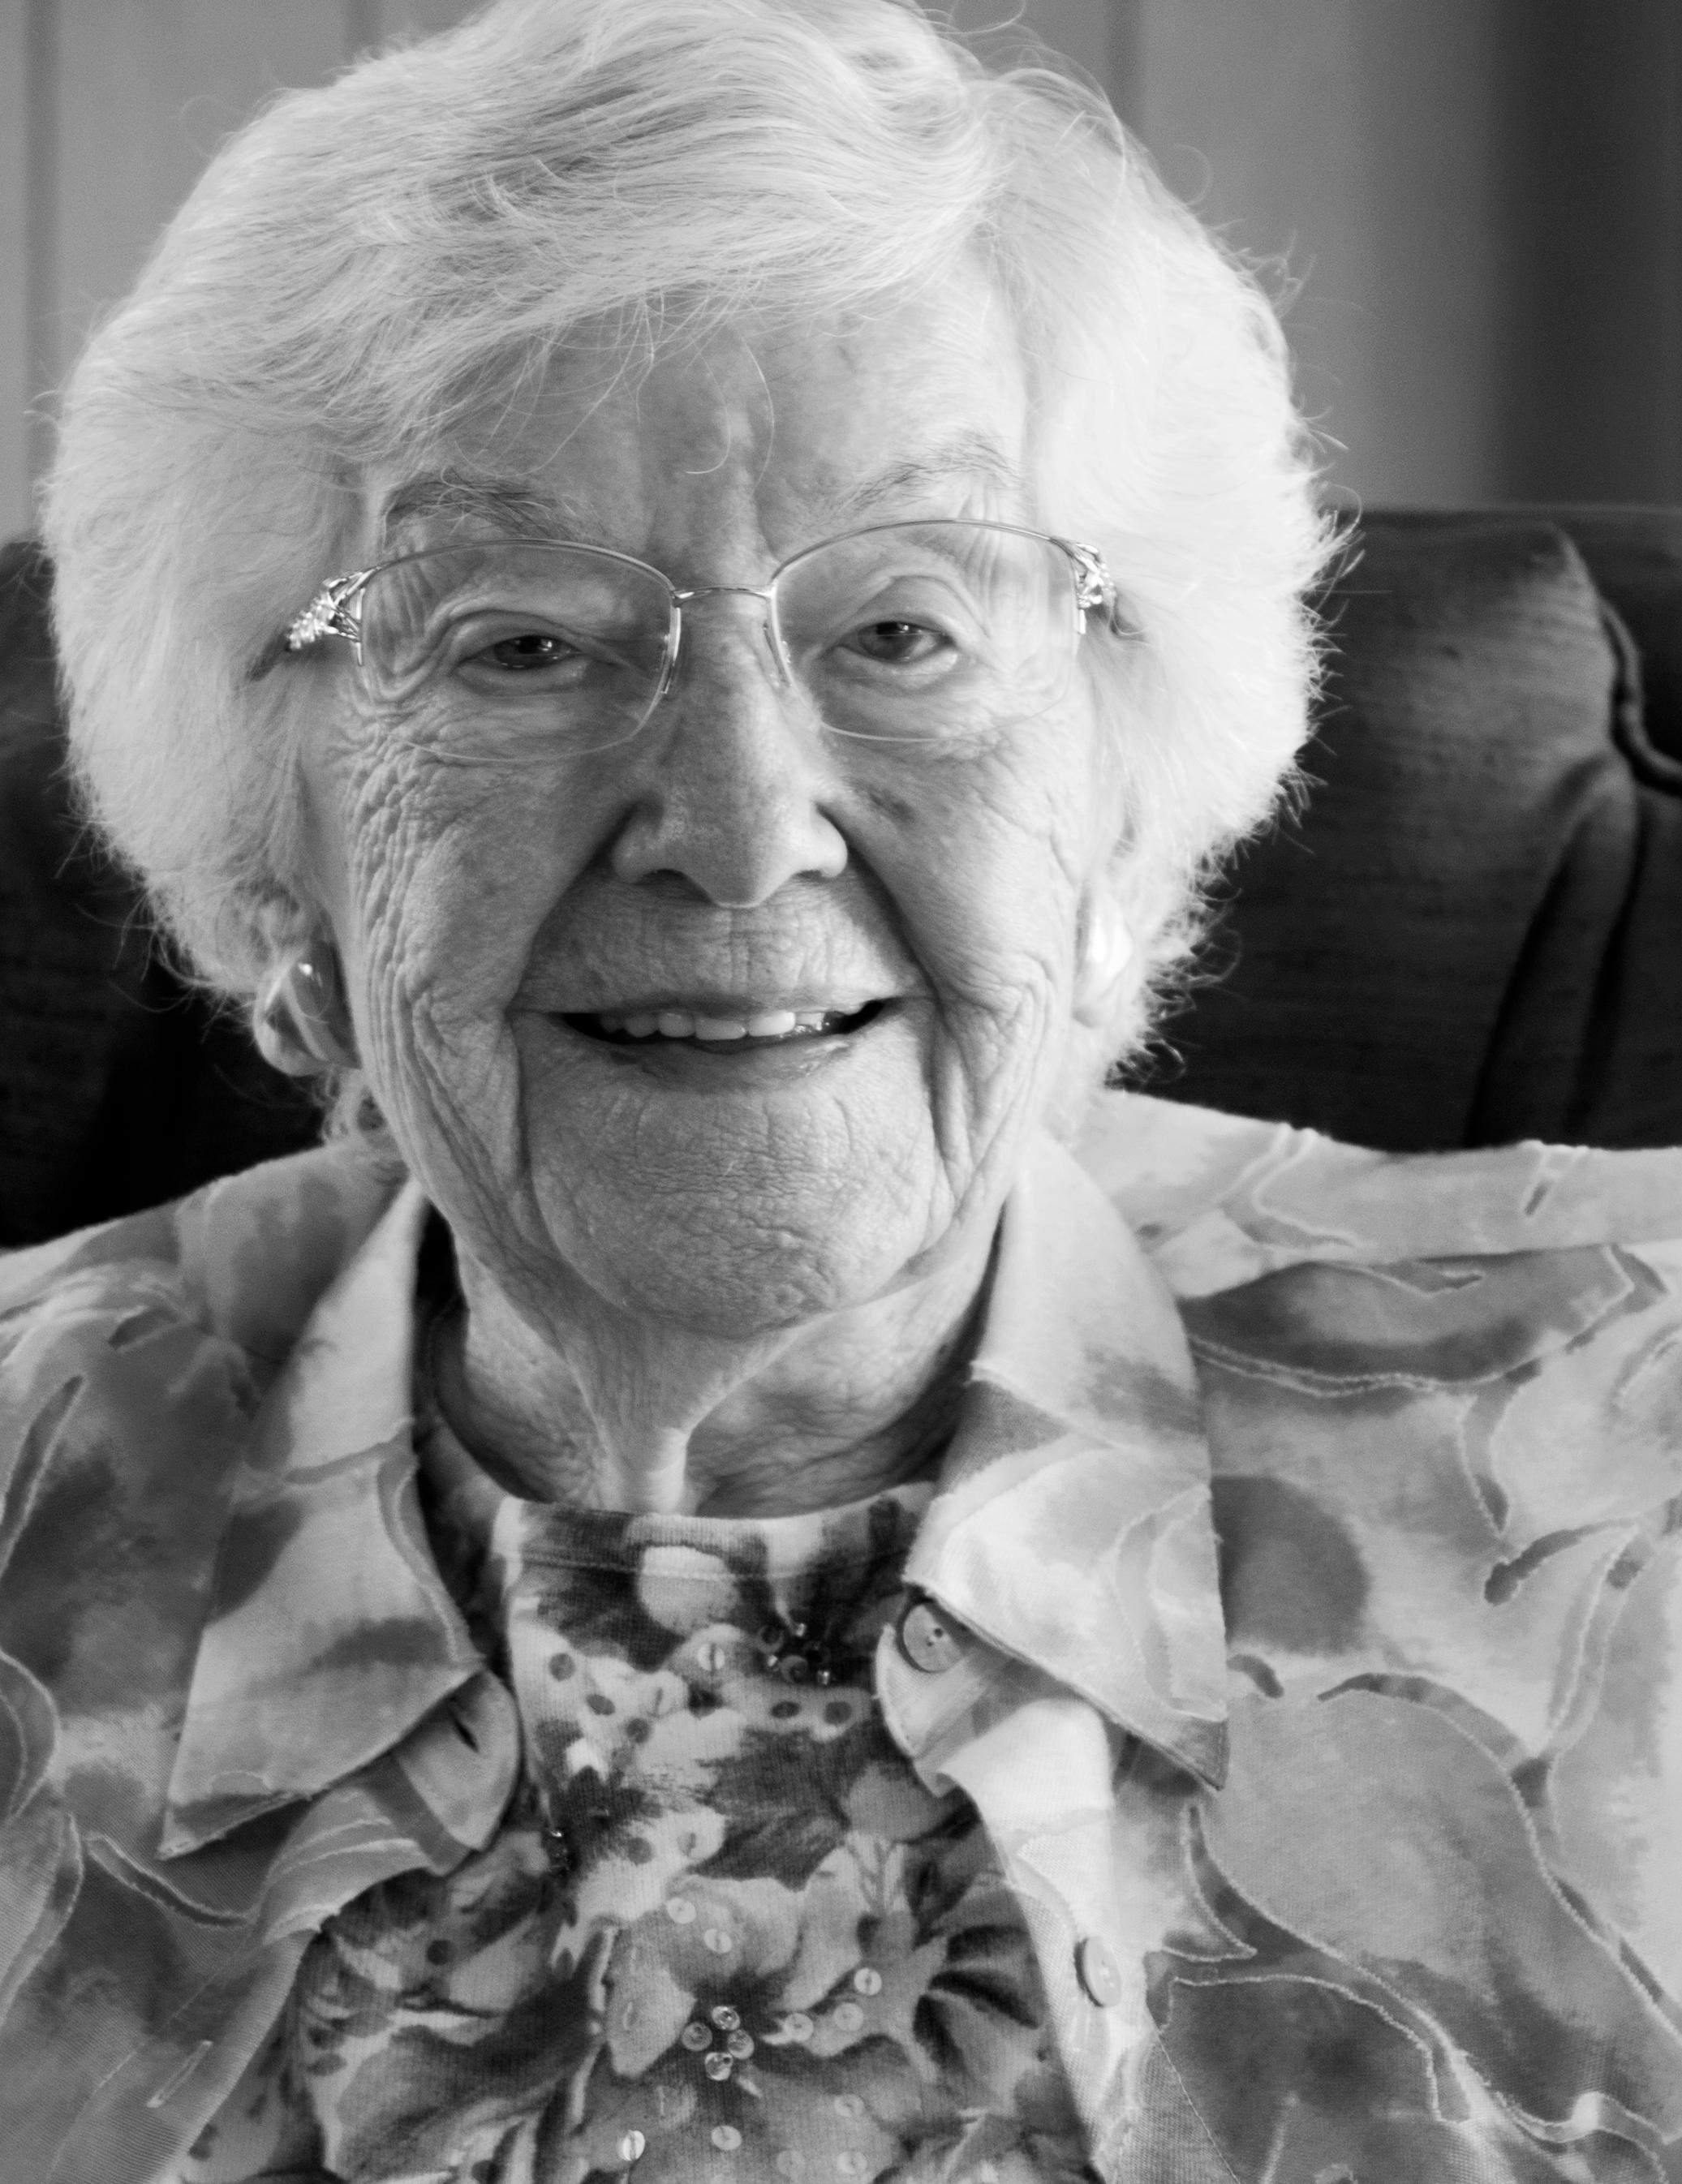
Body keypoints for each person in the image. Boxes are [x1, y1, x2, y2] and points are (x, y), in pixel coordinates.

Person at [2, 1, 1679, 2178]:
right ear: (271, 849)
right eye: (520, 640)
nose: (737, 821)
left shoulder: (1635, 1452)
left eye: (901, 631)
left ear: (1120, 800)